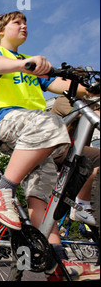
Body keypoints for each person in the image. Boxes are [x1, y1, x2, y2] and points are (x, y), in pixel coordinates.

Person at [0, 11, 99, 280]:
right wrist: (25, 65)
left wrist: (91, 90)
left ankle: (56, 264)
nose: (24, 26)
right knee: (50, 123)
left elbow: (58, 84)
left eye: (26, 23)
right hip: (1, 119)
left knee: (45, 198)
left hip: (33, 135)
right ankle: (2, 190)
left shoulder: (29, 64)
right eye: (17, 23)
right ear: (0, 31)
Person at [51, 95, 100, 226]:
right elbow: (93, 114)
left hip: (76, 153)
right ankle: (82, 204)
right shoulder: (63, 100)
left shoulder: (88, 101)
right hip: (58, 151)